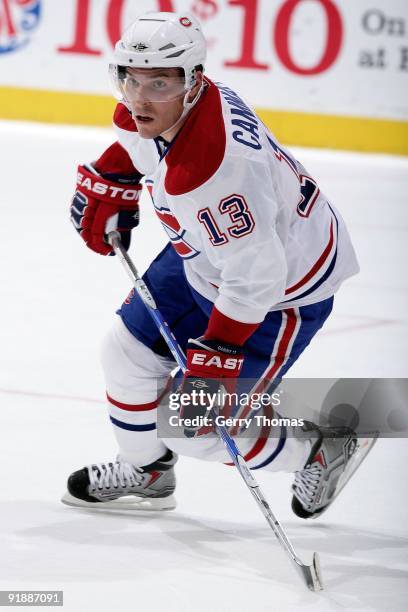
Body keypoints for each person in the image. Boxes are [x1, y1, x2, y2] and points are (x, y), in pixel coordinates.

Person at [62, 11, 367, 519]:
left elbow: (257, 276)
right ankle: (147, 470)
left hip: (282, 291)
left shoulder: (212, 171)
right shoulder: (186, 102)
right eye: (130, 79)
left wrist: (221, 348)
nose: (139, 98)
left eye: (158, 82)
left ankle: (318, 448)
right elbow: (144, 141)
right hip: (206, 256)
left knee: (194, 424)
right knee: (125, 355)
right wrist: (114, 171)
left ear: (192, 80)